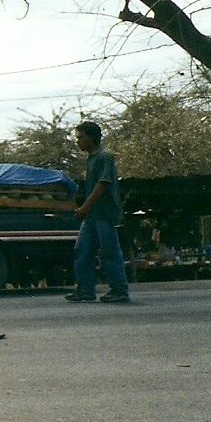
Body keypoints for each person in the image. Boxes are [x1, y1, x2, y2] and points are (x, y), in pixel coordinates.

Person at [66, 121, 130, 303]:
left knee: (109, 251)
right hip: (92, 215)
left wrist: (84, 207)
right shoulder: (91, 159)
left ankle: (119, 289)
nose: (78, 141)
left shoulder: (104, 157)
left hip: (104, 213)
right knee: (82, 250)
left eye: (81, 137)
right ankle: (85, 289)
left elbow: (102, 184)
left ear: (92, 137)